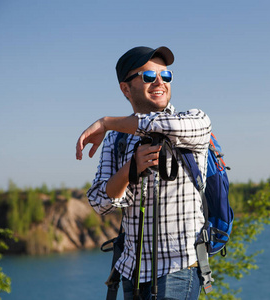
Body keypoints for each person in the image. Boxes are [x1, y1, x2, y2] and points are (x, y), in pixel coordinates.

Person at [76, 46, 211, 300]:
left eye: (166, 76)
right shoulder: (116, 139)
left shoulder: (193, 121)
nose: (160, 82)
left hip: (178, 268)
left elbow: (160, 124)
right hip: (132, 271)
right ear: (126, 89)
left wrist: (106, 121)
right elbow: (99, 202)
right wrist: (131, 169)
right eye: (149, 77)